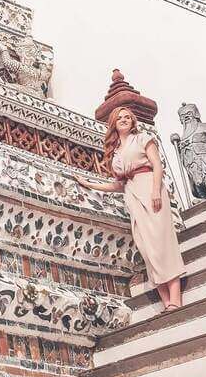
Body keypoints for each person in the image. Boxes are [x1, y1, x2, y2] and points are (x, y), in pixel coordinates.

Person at [75, 106, 185, 311]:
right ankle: (165, 301)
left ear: (133, 121)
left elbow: (157, 165)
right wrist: (89, 184)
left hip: (151, 189)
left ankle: (176, 299)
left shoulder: (143, 138)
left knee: (162, 243)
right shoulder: (115, 152)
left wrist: (155, 191)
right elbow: (118, 184)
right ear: (114, 124)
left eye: (127, 117)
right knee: (146, 246)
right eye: (120, 118)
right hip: (132, 194)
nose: (124, 120)